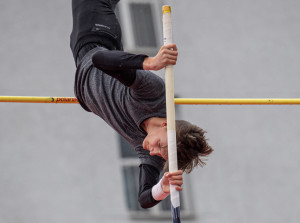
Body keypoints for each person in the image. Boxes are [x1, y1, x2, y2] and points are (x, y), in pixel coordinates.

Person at [70, 0, 213, 209]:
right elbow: (100, 59)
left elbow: (144, 199)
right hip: (96, 36)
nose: (154, 152)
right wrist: (151, 63)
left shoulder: (151, 150)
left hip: (81, 57)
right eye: (161, 147)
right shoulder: (153, 94)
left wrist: (162, 188)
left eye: (161, 155)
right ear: (167, 125)